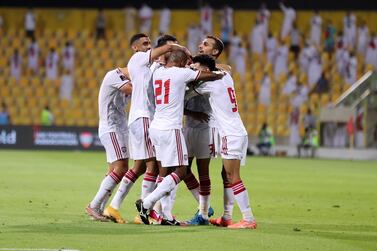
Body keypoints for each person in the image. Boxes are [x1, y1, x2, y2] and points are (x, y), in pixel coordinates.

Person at [103, 34, 188, 224]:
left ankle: (114, 207)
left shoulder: (156, 68)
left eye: (149, 43)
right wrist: (180, 48)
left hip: (143, 119)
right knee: (156, 167)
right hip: (144, 118)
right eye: (145, 43)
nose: (147, 46)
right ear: (135, 48)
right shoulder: (139, 58)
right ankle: (148, 212)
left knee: (140, 166)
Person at [135, 51, 224, 226]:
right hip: (171, 129)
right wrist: (219, 73)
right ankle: (147, 203)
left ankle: (166, 216)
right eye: (187, 61)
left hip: (156, 127)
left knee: (167, 172)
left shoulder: (158, 72)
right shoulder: (181, 73)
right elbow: (209, 76)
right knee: (182, 170)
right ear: (182, 61)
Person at [191, 54, 257, 229]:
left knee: (232, 176)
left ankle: (248, 218)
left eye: (196, 68)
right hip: (238, 131)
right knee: (228, 176)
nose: (195, 71)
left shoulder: (208, 84)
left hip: (230, 134)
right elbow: (226, 68)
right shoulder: (225, 76)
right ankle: (227, 218)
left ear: (205, 70)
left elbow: (188, 87)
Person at [183, 35, 229, 225]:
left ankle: (202, 213)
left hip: (206, 127)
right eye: (201, 43)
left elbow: (225, 70)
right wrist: (190, 113)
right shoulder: (189, 68)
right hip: (188, 125)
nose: (200, 45)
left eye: (206, 44)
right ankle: (204, 207)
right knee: (182, 169)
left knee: (203, 171)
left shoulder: (220, 71)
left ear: (215, 52)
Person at [85, 67, 132, 221]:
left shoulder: (129, 79)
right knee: (122, 168)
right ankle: (94, 205)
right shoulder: (114, 75)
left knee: (113, 170)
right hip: (111, 128)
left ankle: (98, 209)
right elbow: (128, 88)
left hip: (119, 128)